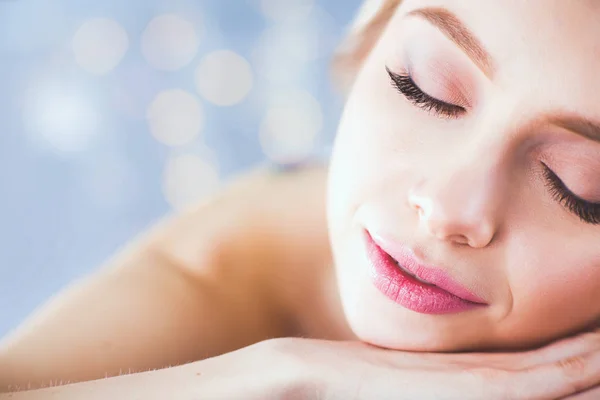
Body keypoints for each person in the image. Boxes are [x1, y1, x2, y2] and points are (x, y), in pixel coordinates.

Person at [2, 0, 600, 398]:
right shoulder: (239, 262)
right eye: (427, 90)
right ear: (366, 49)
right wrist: (281, 377)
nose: (445, 208)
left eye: (574, 186)